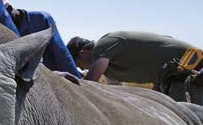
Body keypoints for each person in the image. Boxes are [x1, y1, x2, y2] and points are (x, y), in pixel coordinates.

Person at [67, 32, 202, 85]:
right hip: (171, 77)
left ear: (83, 51)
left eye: (78, 64)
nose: (82, 68)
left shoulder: (103, 45)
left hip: (191, 64)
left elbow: (90, 83)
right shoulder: (109, 69)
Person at [5, 2, 82, 78]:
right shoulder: (7, 31)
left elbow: (61, 53)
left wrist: (77, 80)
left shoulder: (41, 19)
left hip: (54, 79)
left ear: (10, 8)